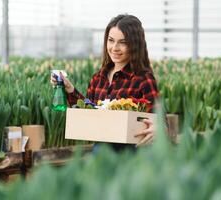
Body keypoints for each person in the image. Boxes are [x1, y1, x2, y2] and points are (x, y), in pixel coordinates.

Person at [51, 14, 159, 152]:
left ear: (135, 45)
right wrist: (70, 89)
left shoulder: (143, 79)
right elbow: (89, 111)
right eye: (111, 40)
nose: (115, 47)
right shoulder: (98, 78)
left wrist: (157, 127)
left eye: (123, 42)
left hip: (131, 156)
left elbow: (159, 119)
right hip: (100, 152)